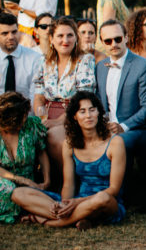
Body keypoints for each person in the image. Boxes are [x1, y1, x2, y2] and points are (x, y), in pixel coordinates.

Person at [12, 91, 126, 227]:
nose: (88, 115)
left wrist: (77, 203)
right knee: (18, 193)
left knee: (102, 198)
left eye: (92, 110)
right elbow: (68, 184)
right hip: (77, 201)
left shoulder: (115, 142)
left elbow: (114, 189)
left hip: (106, 202)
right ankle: (78, 218)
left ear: (99, 113)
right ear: (75, 116)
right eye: (82, 111)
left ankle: (51, 222)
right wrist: (65, 204)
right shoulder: (69, 144)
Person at [95, 19, 146, 210]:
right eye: (108, 41)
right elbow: (100, 103)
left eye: (117, 39)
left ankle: (117, 199)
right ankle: (90, 195)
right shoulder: (100, 67)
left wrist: (123, 127)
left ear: (126, 38)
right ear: (102, 42)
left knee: (117, 143)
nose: (113, 44)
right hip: (107, 126)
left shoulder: (142, 66)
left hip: (136, 128)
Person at [33, 16, 96, 193]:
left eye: (69, 35)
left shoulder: (85, 60)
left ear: (76, 38)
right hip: (47, 112)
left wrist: (58, 121)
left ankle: (71, 184)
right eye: (60, 36)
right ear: (52, 39)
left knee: (53, 135)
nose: (65, 40)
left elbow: (84, 96)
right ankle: (44, 182)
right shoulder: (44, 62)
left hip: (77, 113)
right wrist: (40, 118)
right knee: (31, 133)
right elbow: (38, 95)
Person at [0, 92, 49, 223]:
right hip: (5, 179)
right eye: (21, 118)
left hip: (29, 182)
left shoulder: (31, 125)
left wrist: (47, 180)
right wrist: (19, 180)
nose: (24, 120)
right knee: (8, 188)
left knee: (35, 194)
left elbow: (42, 153)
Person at [1, 11, 43, 99]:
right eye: (5, 33)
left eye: (14, 32)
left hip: (26, 111)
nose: (11, 37)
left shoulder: (35, 59)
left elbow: (35, 96)